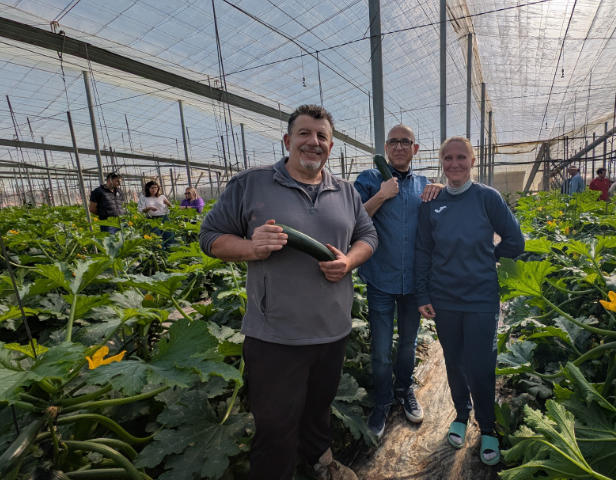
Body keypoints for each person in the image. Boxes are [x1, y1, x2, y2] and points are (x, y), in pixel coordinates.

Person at [199, 105, 376, 480]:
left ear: (330, 146)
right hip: (275, 335)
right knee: (276, 426)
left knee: (318, 410)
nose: (314, 142)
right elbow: (210, 238)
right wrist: (251, 247)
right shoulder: (251, 184)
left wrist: (349, 262)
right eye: (305, 134)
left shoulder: (345, 192)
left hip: (332, 329)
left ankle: (320, 464)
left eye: (322, 137)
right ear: (287, 140)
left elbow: (368, 236)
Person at [415, 136, 524, 466]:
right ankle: (461, 415)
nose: (454, 163)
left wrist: (489, 255)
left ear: (472, 161)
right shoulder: (431, 203)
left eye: (461, 157)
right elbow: (423, 251)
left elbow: (515, 241)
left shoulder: (486, 197)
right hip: (445, 298)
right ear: (441, 163)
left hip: (481, 298)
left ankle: (487, 426)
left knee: (481, 365)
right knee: (454, 360)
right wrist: (423, 294)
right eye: (447, 158)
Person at [353, 125, 442, 439]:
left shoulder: (423, 185)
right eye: (394, 142)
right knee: (379, 350)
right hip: (380, 278)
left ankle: (404, 391)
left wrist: (442, 188)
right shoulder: (368, 180)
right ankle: (382, 401)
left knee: (407, 344)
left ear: (415, 149)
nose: (400, 146)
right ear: (386, 148)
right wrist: (381, 195)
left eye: (407, 142)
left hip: (413, 283)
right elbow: (354, 219)